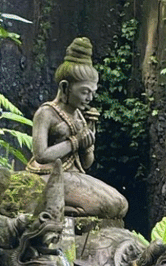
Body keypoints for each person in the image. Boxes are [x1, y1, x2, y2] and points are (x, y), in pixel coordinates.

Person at [27, 37, 128, 220]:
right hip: (49, 176)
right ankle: (63, 212)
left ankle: (70, 209)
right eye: (84, 92)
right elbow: (41, 155)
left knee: (121, 205)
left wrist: (88, 144)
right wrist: (74, 142)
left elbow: (87, 163)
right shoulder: (46, 113)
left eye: (92, 93)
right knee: (109, 205)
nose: (89, 98)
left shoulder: (79, 116)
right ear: (65, 87)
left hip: (73, 175)